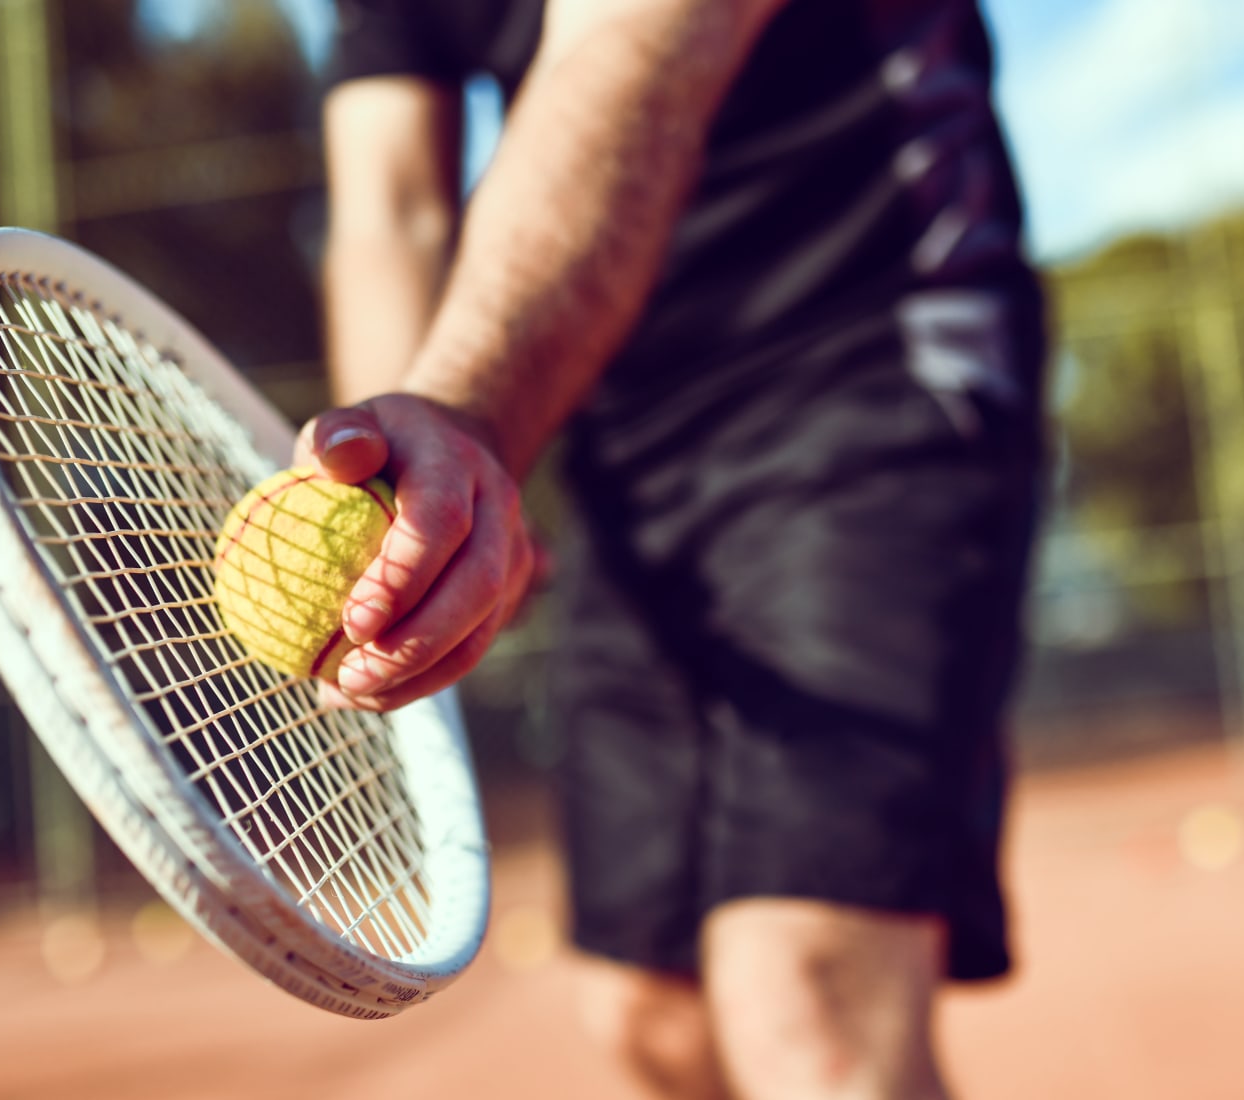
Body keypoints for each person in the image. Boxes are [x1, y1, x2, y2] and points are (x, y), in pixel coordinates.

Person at [301, 1, 1045, 1096]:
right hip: (626, 432)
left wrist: (465, 419)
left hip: (874, 357)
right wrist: (395, 497)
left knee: (806, 990)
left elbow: (628, 48)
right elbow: (390, 209)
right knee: (649, 1010)